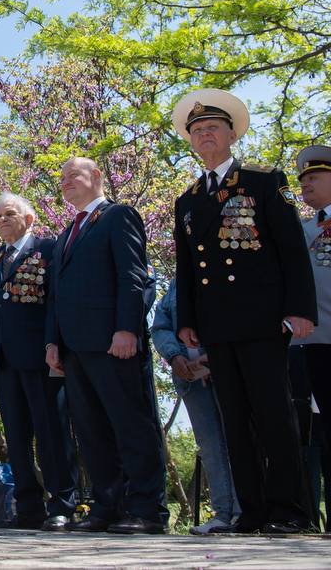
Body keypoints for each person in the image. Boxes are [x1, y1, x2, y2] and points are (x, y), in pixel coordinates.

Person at [172, 91, 317, 533]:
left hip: (262, 318)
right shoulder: (188, 200)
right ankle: (251, 511)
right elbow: (187, 267)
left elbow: (292, 250)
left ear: (232, 134)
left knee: (274, 414)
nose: (205, 135)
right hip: (216, 324)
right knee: (234, 420)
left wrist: (299, 309)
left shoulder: (263, 181)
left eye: (213, 128)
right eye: (197, 131)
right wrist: (186, 319)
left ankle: (289, 511)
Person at [46, 157, 168, 534]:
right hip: (75, 348)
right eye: (62, 178)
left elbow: (133, 275)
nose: (65, 182)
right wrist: (53, 342)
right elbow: (56, 294)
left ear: (96, 176)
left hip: (114, 343)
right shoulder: (67, 233)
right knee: (92, 431)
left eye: (73, 175)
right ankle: (106, 507)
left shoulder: (118, 216)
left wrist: (126, 328)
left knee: (130, 424)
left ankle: (147, 508)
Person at [0, 193, 76, 531]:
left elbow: (56, 302)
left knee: (51, 432)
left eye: (9, 214)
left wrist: (53, 342)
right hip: (3, 361)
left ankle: (62, 504)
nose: (2, 220)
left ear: (29, 219)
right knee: (16, 437)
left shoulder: (48, 250)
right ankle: (28, 507)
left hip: (40, 357)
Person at [151, 279, 238, 534]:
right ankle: (223, 514)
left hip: (227, 369)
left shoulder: (222, 274)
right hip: (190, 378)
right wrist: (174, 356)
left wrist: (217, 354)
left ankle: (244, 511)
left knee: (238, 440)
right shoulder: (176, 286)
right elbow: (160, 327)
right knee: (209, 445)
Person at [297, 145, 331, 464]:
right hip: (316, 342)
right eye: (303, 179)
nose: (305, 183)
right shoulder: (301, 231)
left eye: (314, 177)